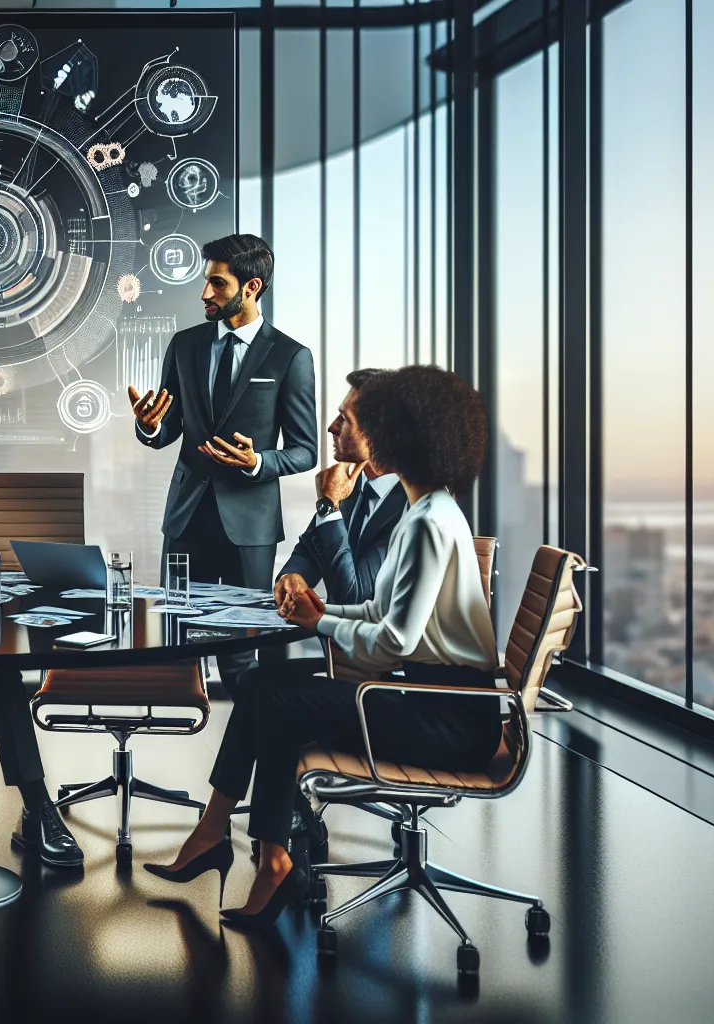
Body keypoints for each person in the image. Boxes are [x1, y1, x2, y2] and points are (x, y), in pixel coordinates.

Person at [219, 366, 500, 929]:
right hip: (432, 704)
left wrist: (321, 623)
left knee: (277, 695)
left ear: (399, 437)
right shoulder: (429, 511)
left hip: (447, 721)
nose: (345, 432)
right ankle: (258, 850)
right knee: (263, 684)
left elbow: (390, 644)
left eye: (361, 422)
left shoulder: (423, 523)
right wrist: (322, 615)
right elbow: (377, 613)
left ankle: (271, 861)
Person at [148, 368, 408, 878]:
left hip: (393, 684)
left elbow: (357, 594)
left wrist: (329, 508)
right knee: (260, 684)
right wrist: (288, 580)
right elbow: (303, 559)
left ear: (380, 432)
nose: (331, 429)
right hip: (355, 660)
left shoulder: (405, 507)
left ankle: (261, 845)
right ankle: (221, 832)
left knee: (268, 693)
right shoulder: (355, 489)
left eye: (345, 419)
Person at [128, 233, 318, 684]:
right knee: (174, 645)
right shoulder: (185, 345)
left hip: (248, 526)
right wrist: (149, 424)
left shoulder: (291, 357)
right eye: (205, 281)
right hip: (186, 517)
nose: (204, 294)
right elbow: (168, 429)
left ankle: (248, 745)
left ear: (250, 288)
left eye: (217, 284)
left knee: (242, 653)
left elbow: (306, 450)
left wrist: (256, 463)